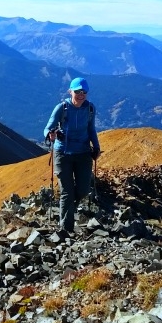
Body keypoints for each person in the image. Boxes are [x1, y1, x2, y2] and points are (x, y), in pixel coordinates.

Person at [43, 77, 101, 235]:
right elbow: (48, 128)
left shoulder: (90, 109)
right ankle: (65, 228)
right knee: (67, 192)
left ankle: (67, 211)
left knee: (83, 189)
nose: (81, 94)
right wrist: (51, 134)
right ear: (70, 91)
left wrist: (96, 147)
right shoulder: (62, 108)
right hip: (63, 153)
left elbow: (91, 129)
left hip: (83, 153)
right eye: (77, 91)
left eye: (84, 92)